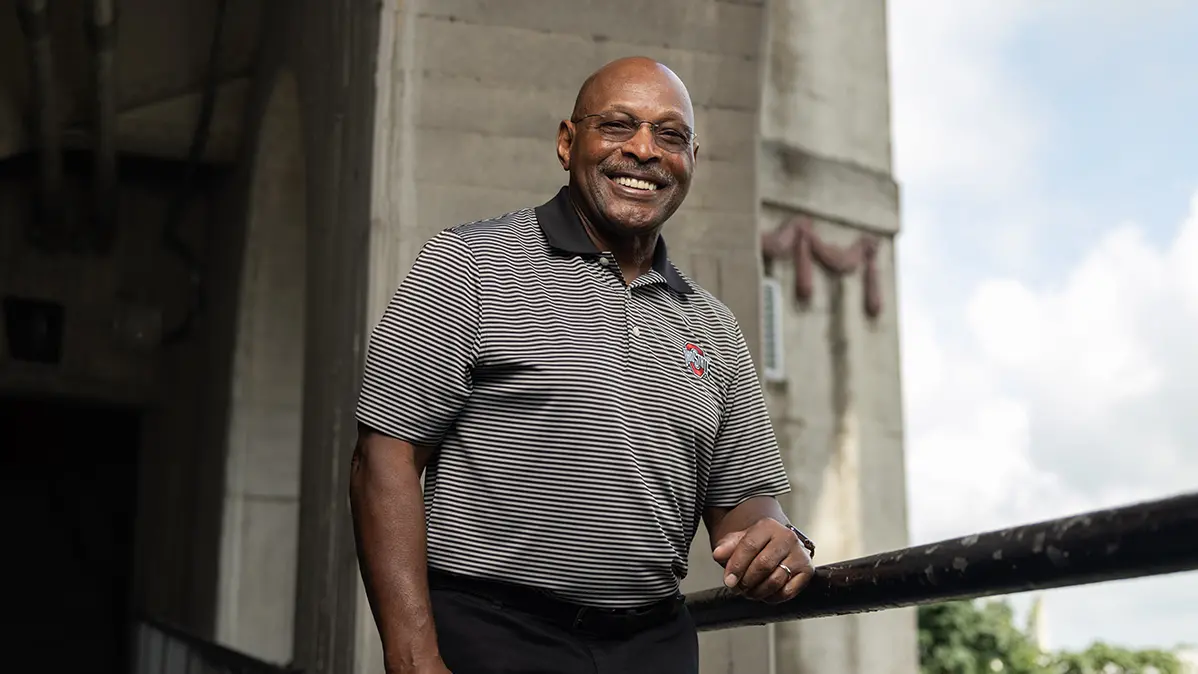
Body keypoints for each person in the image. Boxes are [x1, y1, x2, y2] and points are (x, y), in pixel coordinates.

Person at [349, 56, 816, 674]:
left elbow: (746, 503)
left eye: (670, 135)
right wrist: (412, 657)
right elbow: (384, 460)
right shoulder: (468, 264)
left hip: (654, 645)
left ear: (692, 161)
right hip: (493, 635)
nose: (645, 150)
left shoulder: (714, 325)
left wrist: (782, 540)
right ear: (568, 144)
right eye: (620, 125)